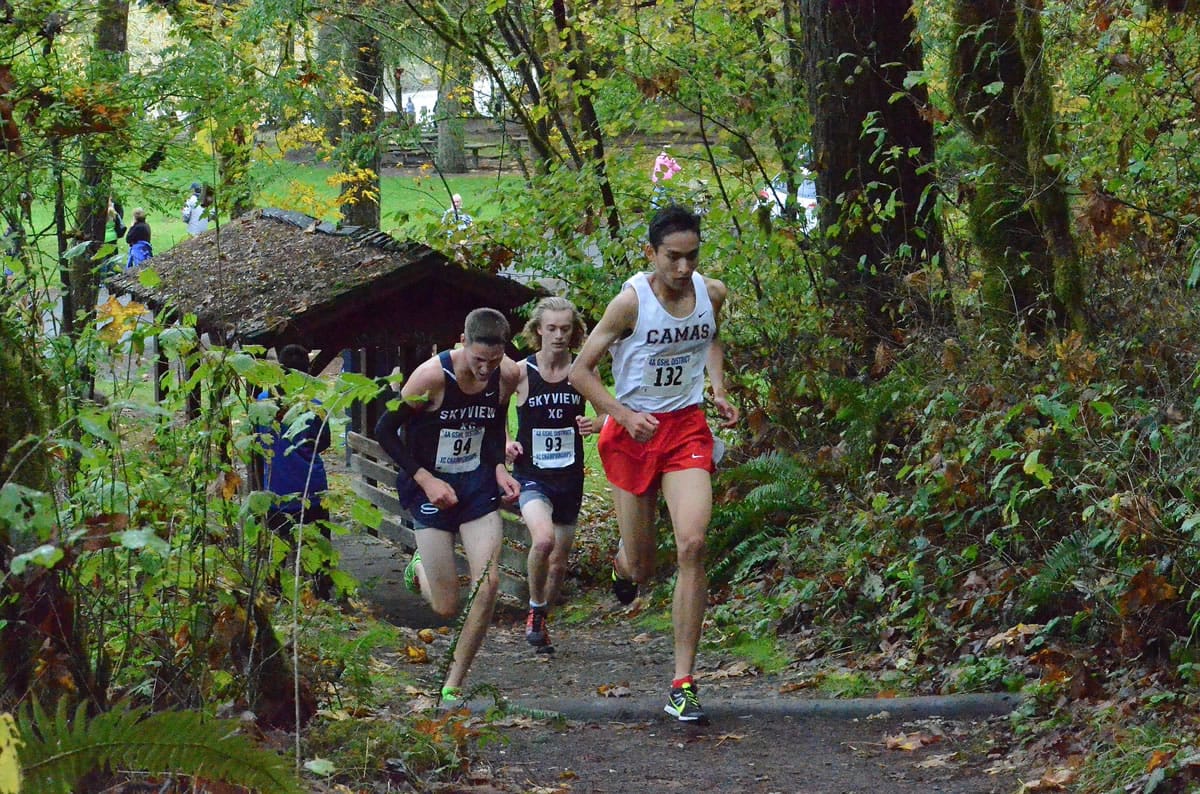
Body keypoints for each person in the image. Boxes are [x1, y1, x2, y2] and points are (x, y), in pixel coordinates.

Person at [569, 203, 739, 723]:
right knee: (644, 567)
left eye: (692, 256)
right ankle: (625, 562)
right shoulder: (629, 304)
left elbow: (710, 338)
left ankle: (683, 683)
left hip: (686, 429)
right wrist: (620, 412)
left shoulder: (711, 294)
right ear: (651, 253)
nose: (683, 269)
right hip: (631, 433)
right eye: (672, 258)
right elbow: (580, 371)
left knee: (692, 543)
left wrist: (718, 386)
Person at [374, 308, 521, 705]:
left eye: (494, 361)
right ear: (462, 342)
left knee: (487, 585)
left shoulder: (505, 375)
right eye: (478, 360)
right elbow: (384, 430)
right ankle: (419, 568)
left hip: (474, 486)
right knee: (445, 605)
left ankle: (453, 682)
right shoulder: (432, 377)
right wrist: (425, 478)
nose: (486, 369)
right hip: (428, 485)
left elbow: (493, 425)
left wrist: (499, 468)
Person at [505, 297, 600, 652]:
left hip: (569, 478)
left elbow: (611, 414)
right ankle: (534, 608)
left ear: (575, 332)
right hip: (532, 476)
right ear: (538, 331)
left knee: (559, 562)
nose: (559, 336)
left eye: (565, 329)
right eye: (552, 329)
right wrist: (507, 442)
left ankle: (542, 615)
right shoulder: (520, 371)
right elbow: (494, 411)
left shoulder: (583, 371)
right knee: (542, 541)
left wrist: (595, 423)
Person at [255, 344, 334, 599]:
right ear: (307, 370)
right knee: (319, 543)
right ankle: (322, 593)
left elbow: (256, 441)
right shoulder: (315, 404)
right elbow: (325, 441)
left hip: (276, 486)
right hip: (311, 484)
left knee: (277, 545)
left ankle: (274, 592)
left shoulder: (262, 402)